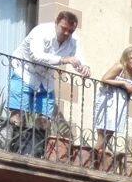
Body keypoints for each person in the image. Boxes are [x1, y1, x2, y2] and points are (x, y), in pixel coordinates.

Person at [8, 11, 87, 143]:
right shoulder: (41, 31)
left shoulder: (74, 40)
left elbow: (79, 57)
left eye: (71, 31)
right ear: (56, 22)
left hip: (45, 79)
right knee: (18, 113)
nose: (67, 33)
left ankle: (37, 150)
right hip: (24, 71)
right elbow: (36, 55)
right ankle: (14, 148)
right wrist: (63, 59)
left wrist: (85, 67)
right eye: (64, 28)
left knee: (45, 117)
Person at [91, 46, 132, 157]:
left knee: (110, 133)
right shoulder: (120, 67)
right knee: (103, 132)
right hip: (109, 101)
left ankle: (97, 157)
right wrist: (123, 84)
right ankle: (92, 157)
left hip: (121, 105)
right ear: (126, 58)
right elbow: (104, 79)